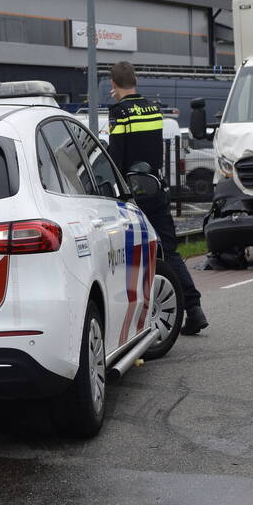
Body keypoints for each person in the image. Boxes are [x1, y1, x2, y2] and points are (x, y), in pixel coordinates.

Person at [106, 61, 209, 335]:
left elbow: (116, 156)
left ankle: (132, 321)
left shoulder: (119, 111)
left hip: (131, 193)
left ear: (113, 84)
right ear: (135, 80)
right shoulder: (153, 108)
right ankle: (194, 310)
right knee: (170, 251)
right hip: (155, 186)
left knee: (131, 256)